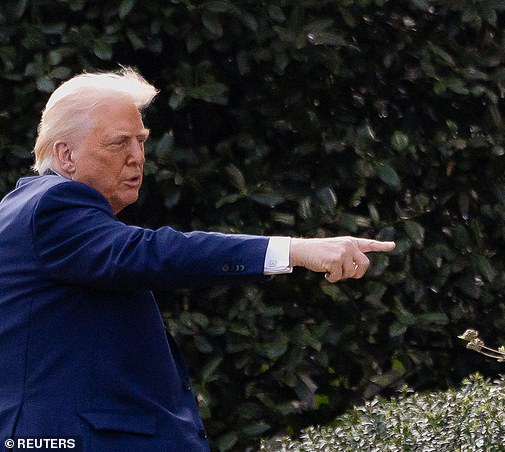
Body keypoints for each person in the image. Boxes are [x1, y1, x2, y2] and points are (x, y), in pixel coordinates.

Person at [0, 68, 395, 452]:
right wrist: (295, 249)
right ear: (65, 155)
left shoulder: (24, 209)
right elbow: (152, 253)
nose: (137, 157)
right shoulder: (54, 205)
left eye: (142, 141)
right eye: (119, 143)